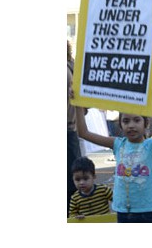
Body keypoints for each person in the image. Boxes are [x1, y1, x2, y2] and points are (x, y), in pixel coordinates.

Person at [73, 81, 152, 223]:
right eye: (126, 121)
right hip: (122, 212)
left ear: (146, 124)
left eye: (136, 120)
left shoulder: (151, 146)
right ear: (120, 125)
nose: (131, 125)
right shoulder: (118, 144)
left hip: (147, 212)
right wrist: (77, 104)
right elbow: (83, 132)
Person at [67, 40, 82, 216]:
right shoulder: (72, 65)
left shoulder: (70, 67)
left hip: (69, 127)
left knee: (71, 181)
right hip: (71, 127)